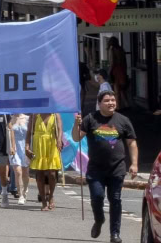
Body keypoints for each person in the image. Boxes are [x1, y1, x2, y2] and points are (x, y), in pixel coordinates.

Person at [73, 91, 138, 243]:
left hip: (117, 168)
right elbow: (76, 137)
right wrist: (77, 124)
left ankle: (114, 234)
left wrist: (134, 163)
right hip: (96, 169)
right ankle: (99, 219)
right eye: (107, 100)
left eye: (113, 100)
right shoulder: (90, 119)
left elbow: (131, 143)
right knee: (97, 197)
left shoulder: (123, 120)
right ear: (99, 103)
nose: (111, 103)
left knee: (115, 200)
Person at [26, 113, 62, 211]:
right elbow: (29, 132)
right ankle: (43, 201)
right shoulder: (34, 115)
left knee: (52, 173)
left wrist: (59, 140)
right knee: (40, 173)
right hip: (39, 146)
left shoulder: (55, 115)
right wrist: (27, 146)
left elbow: (59, 129)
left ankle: (50, 196)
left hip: (52, 145)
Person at [8, 114, 31, 205]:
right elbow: (8, 134)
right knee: (18, 171)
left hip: (25, 148)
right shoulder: (10, 119)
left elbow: (31, 134)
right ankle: (20, 194)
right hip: (14, 148)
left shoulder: (28, 119)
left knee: (25, 172)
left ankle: (24, 191)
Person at [108, 37, 127, 108]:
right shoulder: (121, 49)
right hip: (122, 68)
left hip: (115, 69)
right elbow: (125, 61)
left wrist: (109, 71)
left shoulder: (112, 49)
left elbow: (112, 62)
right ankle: (126, 104)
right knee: (122, 89)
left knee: (116, 89)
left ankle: (118, 107)